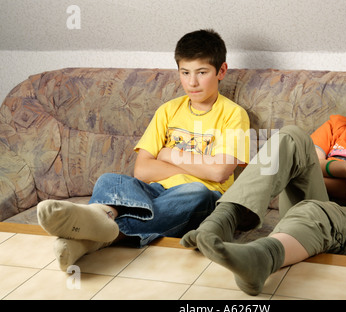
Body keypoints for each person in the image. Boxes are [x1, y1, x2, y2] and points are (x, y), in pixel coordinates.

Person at [180, 51, 346, 296]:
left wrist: (318, 170)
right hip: (306, 206)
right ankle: (222, 221)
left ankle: (261, 260)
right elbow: (310, 161)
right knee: (292, 135)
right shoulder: (336, 126)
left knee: (314, 208)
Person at [37, 29, 250, 270]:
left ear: (221, 71)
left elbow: (219, 172)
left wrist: (171, 154)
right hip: (155, 191)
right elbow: (142, 170)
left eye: (202, 73)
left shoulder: (234, 114)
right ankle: (94, 227)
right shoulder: (168, 110)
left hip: (203, 198)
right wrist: (197, 165)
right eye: (185, 72)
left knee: (195, 191)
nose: (192, 82)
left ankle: (96, 231)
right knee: (110, 180)